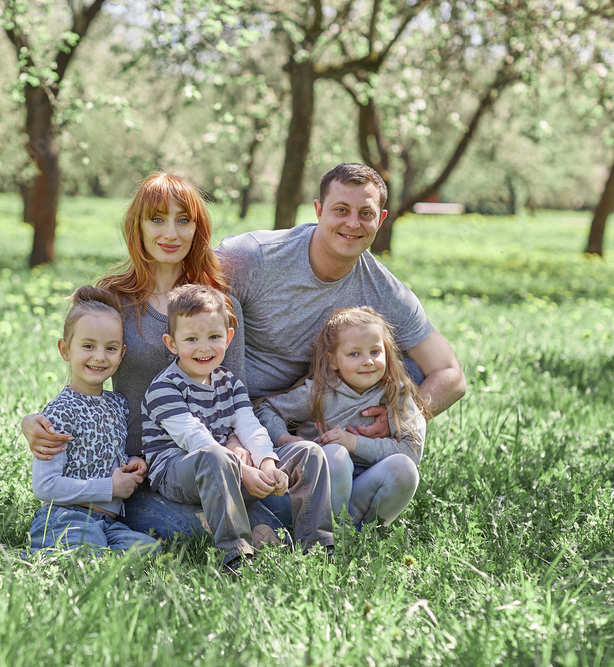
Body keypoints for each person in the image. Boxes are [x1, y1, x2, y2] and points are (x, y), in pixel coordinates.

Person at [23, 173, 290, 547]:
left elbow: (235, 395)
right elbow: (87, 372)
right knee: (203, 532)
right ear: (139, 226)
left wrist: (237, 453)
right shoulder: (113, 299)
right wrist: (33, 421)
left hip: (214, 465)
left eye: (183, 220)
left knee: (284, 513)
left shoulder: (219, 307)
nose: (171, 233)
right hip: (140, 471)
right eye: (157, 219)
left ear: (197, 228)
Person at [217, 162, 465, 529]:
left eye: (365, 214)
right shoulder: (254, 257)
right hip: (241, 416)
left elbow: (451, 375)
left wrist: (402, 416)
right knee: (176, 524)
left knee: (403, 371)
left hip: (326, 425)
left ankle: (323, 520)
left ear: (380, 220)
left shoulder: (386, 292)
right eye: (341, 210)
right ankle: (285, 511)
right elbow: (184, 315)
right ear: (318, 210)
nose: (352, 224)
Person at [142, 285, 334, 568]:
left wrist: (267, 463)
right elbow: (195, 438)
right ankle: (236, 555)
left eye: (214, 337)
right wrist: (243, 470)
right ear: (172, 343)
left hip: (226, 465)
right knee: (214, 456)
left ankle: (316, 547)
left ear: (229, 337)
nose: (204, 347)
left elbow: (249, 426)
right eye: (191, 339)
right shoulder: (164, 387)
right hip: (178, 473)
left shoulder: (229, 382)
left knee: (309, 452)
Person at [255, 307, 430, 527]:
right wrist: (284, 439)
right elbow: (266, 409)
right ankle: (326, 533)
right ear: (333, 361)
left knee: (404, 469)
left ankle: (359, 534)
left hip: (368, 484)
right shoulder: (320, 392)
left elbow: (412, 451)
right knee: (336, 454)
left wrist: (355, 443)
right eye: (354, 354)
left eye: (375, 351)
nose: (367, 361)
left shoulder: (397, 394)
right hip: (321, 489)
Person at [27, 286, 160, 555]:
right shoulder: (60, 412)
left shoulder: (117, 404)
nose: (100, 356)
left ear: (121, 354)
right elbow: (44, 486)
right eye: (88, 346)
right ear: (65, 349)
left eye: (110, 348)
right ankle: (38, 556)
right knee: (88, 559)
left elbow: (103, 457)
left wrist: (130, 465)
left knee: (150, 552)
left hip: (107, 522)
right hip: (66, 516)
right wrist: (110, 487)